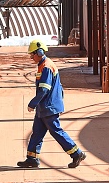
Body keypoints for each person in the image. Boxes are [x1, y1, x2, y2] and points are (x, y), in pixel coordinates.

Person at [17, 39, 87, 168]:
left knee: (56, 131)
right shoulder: (43, 65)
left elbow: (44, 89)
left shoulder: (47, 67)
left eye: (32, 54)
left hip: (49, 106)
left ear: (39, 52)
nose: (31, 57)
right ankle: (32, 158)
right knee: (37, 132)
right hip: (43, 107)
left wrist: (32, 103)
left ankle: (77, 153)